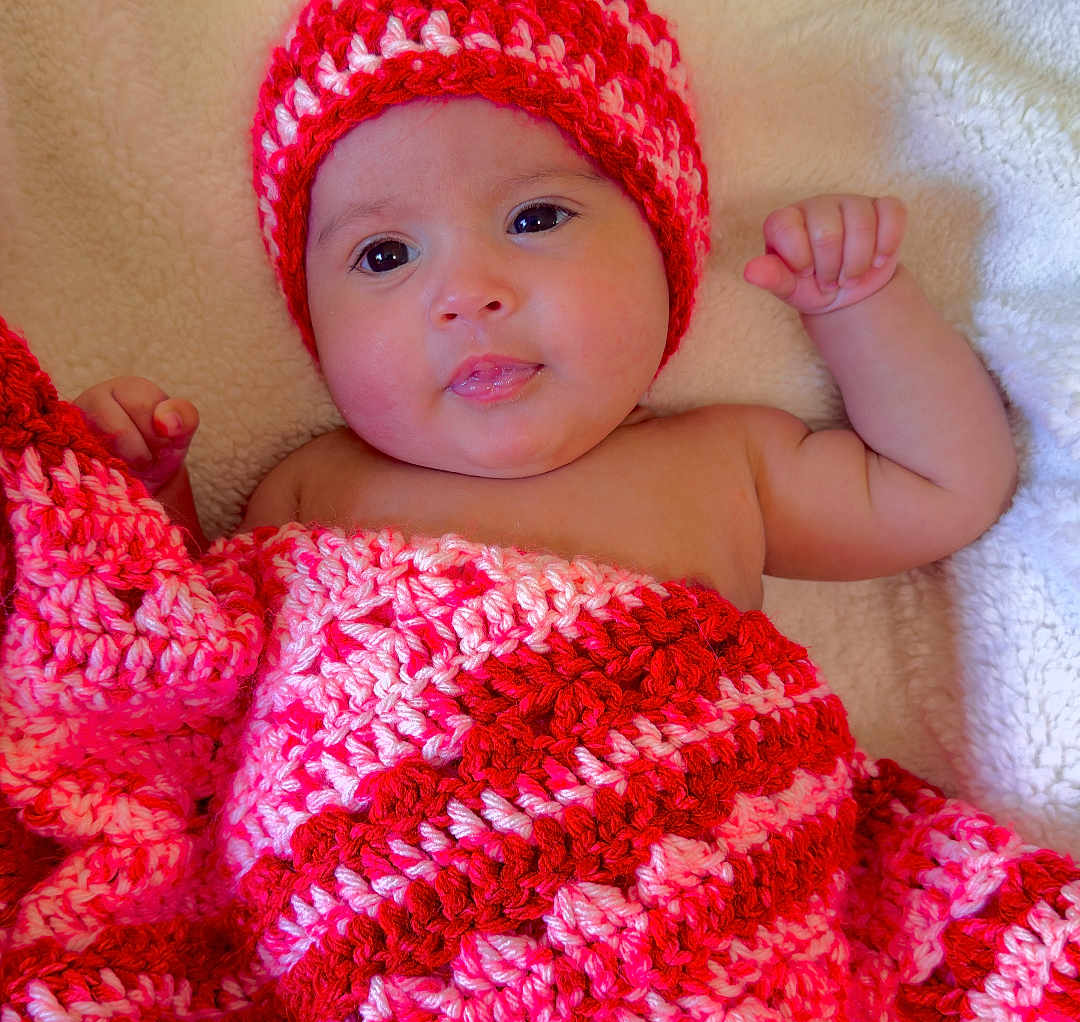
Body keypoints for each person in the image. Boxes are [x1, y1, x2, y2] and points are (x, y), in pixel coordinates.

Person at [76, 0, 1016, 618]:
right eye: (385, 254)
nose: (468, 293)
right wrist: (145, 497)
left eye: (534, 217)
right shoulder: (313, 492)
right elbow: (192, 653)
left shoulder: (726, 464)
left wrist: (857, 306)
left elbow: (942, 490)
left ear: (665, 247)